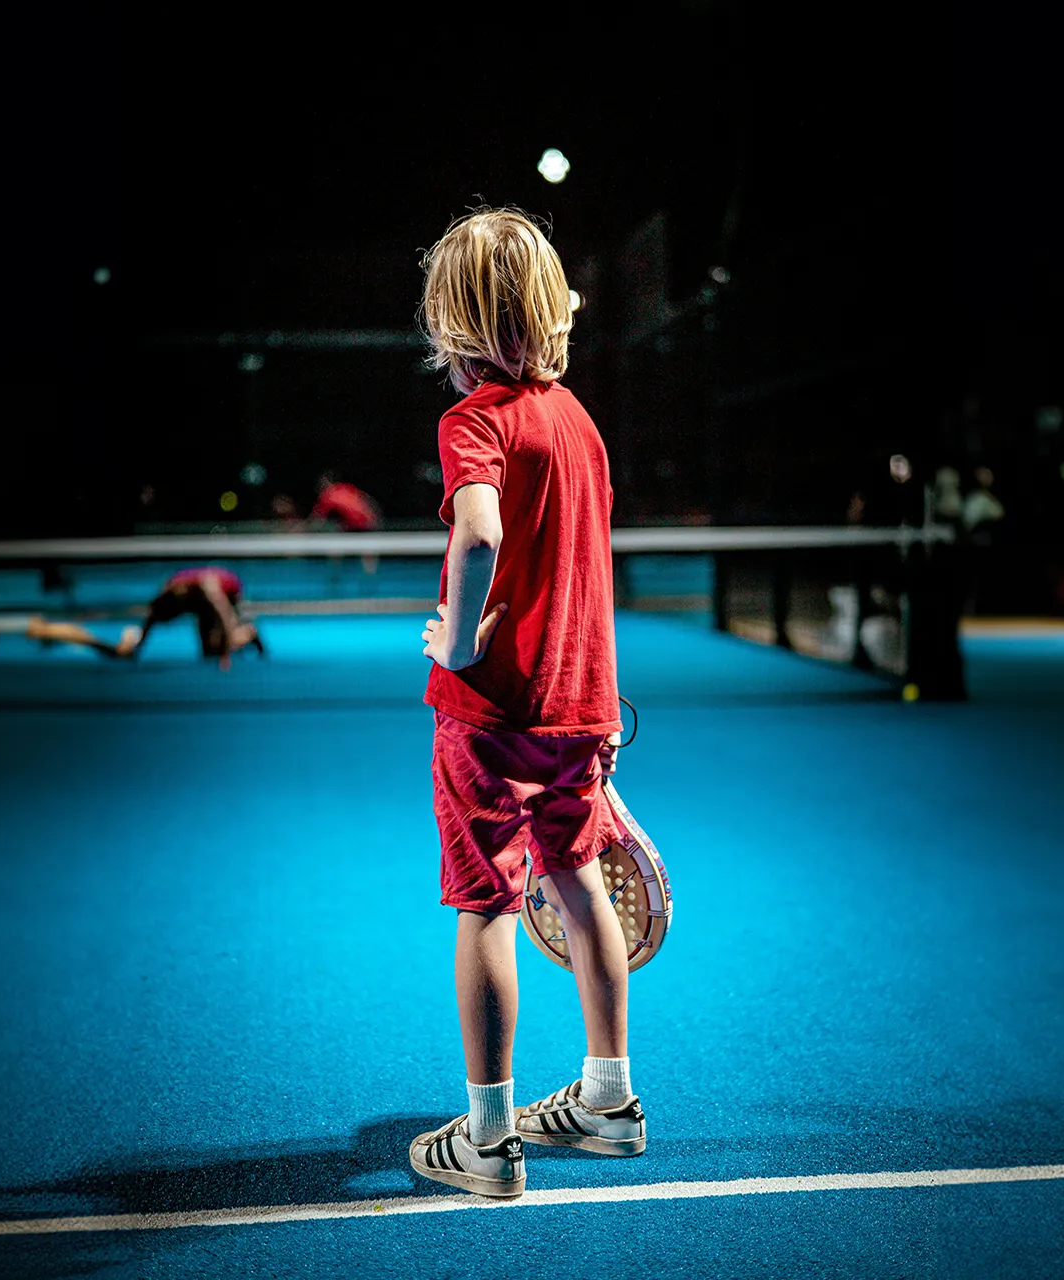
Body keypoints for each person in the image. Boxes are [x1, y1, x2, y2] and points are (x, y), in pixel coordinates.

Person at [408, 208, 639, 1200]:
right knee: (579, 881)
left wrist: (457, 643)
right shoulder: (579, 420)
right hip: (581, 711)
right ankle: (609, 1100)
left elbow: (483, 534)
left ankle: (492, 1137)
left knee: (490, 907)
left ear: (451, 321)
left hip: (494, 717)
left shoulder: (475, 422)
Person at [24, 565, 262, 666]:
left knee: (217, 646)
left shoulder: (210, 590)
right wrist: (138, 646)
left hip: (228, 594)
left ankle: (249, 633)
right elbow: (152, 616)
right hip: (195, 599)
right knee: (207, 651)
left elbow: (224, 613)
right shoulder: (168, 594)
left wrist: (225, 655)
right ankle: (232, 642)